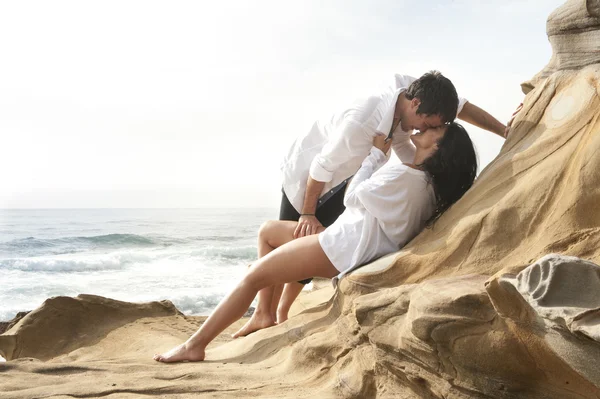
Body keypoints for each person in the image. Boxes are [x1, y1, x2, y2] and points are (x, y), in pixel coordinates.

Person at [153, 121, 478, 363]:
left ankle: (195, 345)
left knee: (254, 275)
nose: (431, 127)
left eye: (439, 129)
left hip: (342, 246)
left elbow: (353, 197)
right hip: (347, 237)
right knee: (268, 231)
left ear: (440, 148)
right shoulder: (427, 185)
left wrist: (375, 158)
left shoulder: (408, 177)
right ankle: (265, 313)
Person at [269, 71, 504, 325]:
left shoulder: (425, 97)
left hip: (347, 179)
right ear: (415, 104)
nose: (425, 129)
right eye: (427, 124)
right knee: (290, 241)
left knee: (308, 244)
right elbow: (320, 167)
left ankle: (281, 312)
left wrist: (505, 131)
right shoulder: (363, 120)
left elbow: (462, 108)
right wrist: (307, 212)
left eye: (433, 128)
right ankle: (266, 313)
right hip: (306, 177)